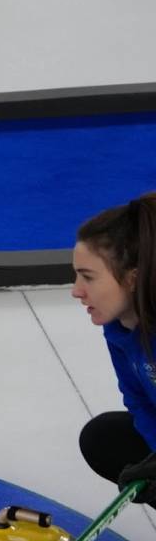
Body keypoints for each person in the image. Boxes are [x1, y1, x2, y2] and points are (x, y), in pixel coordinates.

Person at [73, 193, 156, 505]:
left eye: (88, 278)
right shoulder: (120, 327)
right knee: (103, 438)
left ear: (132, 278)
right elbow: (140, 403)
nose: (76, 291)